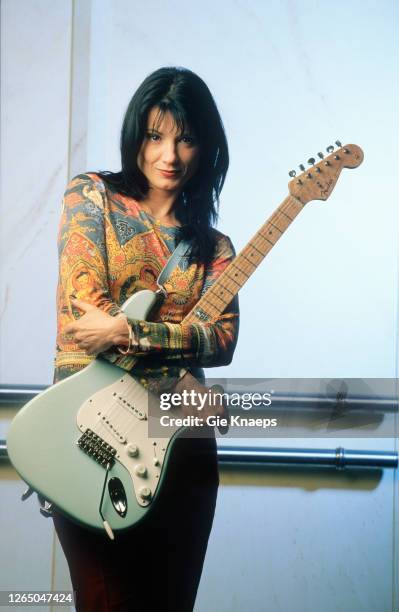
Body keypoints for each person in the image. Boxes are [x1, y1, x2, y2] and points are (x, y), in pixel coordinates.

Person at [51, 66, 239, 611]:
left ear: (207, 148)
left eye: (187, 139)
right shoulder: (93, 197)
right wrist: (178, 353)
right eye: (156, 135)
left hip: (183, 446)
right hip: (90, 433)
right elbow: (85, 315)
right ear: (136, 134)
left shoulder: (217, 248)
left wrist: (128, 331)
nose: (170, 155)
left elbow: (222, 341)